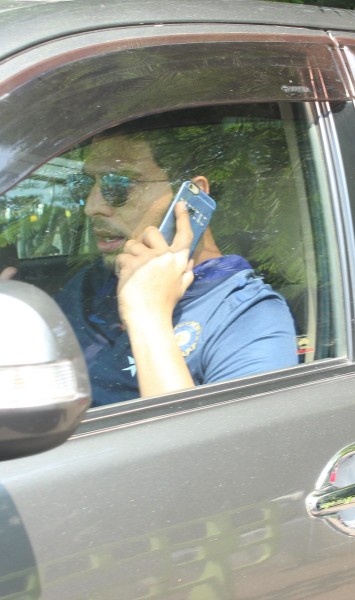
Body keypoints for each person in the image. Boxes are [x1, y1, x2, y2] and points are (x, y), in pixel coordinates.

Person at [56, 128, 298, 406]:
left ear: (191, 199)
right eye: (84, 184)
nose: (92, 207)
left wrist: (148, 316)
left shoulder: (246, 316)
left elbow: (226, 448)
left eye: (118, 184)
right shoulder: (88, 285)